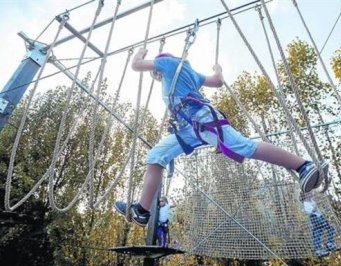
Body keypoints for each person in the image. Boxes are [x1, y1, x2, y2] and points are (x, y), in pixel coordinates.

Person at [114, 48, 329, 227]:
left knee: (243, 146)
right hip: (187, 127)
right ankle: (142, 210)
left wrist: (139, 53)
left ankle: (303, 166)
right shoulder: (189, 73)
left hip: (202, 118)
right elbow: (216, 81)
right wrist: (218, 69)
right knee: (156, 156)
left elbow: (136, 65)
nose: (158, 77)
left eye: (156, 73)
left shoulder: (170, 63)